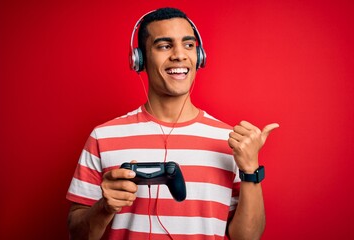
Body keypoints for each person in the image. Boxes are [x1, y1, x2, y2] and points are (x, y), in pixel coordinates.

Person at [67, 7, 279, 240]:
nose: (180, 55)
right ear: (139, 60)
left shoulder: (230, 141)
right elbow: (77, 235)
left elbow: (247, 238)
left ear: (200, 57)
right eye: (164, 46)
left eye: (188, 45)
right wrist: (105, 207)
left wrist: (251, 170)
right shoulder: (103, 137)